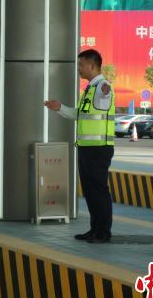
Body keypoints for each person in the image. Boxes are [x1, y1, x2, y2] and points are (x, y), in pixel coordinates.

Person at [44, 49, 114, 244]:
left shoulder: (102, 87)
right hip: (87, 147)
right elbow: (80, 115)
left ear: (92, 65)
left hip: (99, 148)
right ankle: (95, 229)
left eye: (81, 65)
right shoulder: (90, 89)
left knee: (98, 190)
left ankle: (103, 231)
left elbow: (102, 105)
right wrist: (60, 108)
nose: (79, 69)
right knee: (90, 190)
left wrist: (102, 91)